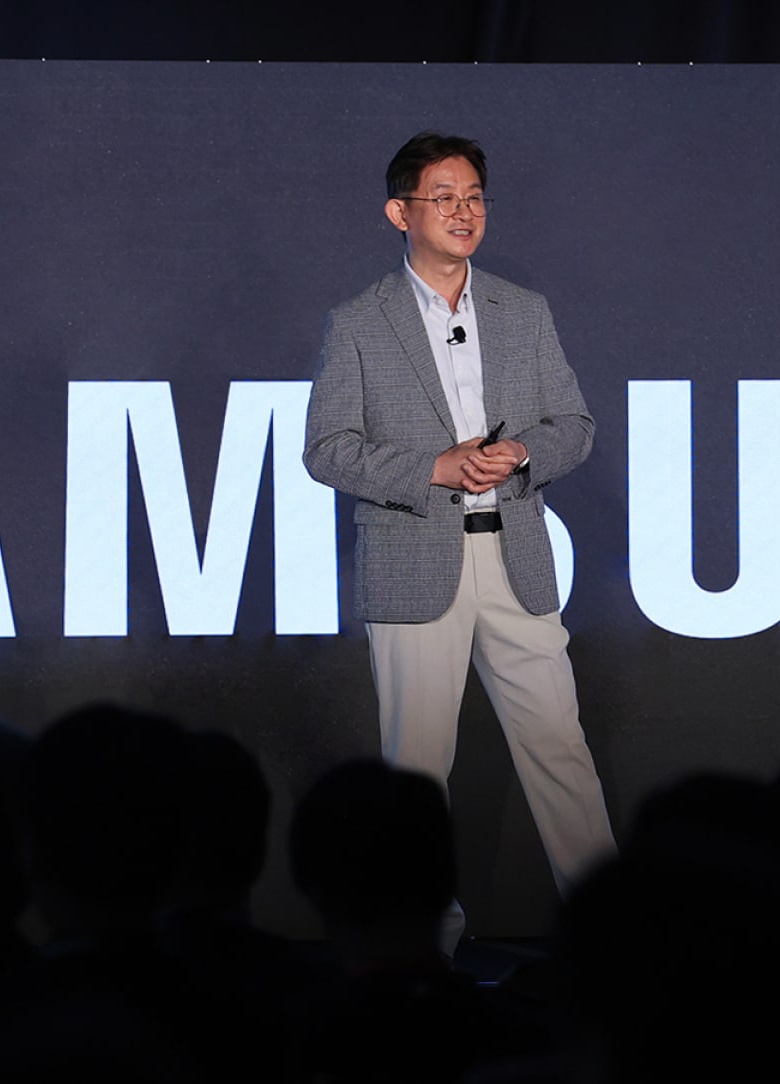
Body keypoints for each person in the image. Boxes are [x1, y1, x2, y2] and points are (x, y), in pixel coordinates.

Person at [302, 131, 617, 944]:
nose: (463, 211)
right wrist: (434, 469)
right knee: (415, 770)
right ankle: (421, 942)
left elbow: (574, 426)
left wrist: (523, 453)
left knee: (560, 747)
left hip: (515, 553)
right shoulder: (358, 323)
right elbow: (327, 450)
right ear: (398, 211)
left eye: (474, 195)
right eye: (443, 197)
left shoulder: (523, 311)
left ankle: (611, 931)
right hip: (414, 558)